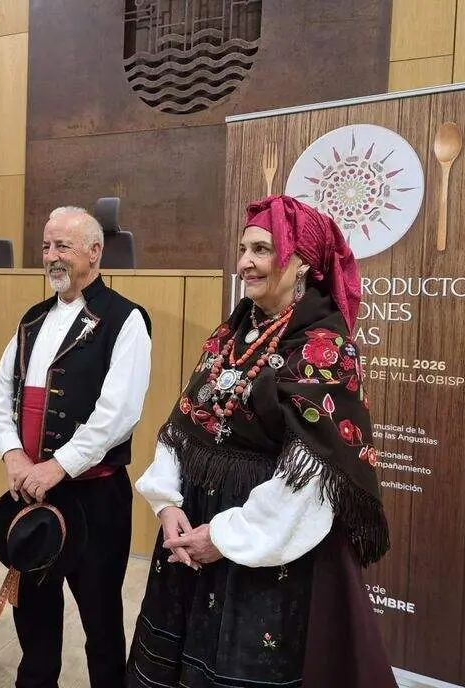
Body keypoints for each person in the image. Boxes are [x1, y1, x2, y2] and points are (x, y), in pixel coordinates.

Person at [125, 195, 394, 688]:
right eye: (243, 247)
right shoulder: (234, 332)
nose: (245, 262)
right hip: (194, 534)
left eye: (263, 250)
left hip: (263, 553)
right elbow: (183, 423)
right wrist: (167, 505)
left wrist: (225, 538)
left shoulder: (325, 350)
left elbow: (310, 479)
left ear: (303, 263)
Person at [0, 206, 152, 688]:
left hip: (96, 499)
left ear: (95, 252)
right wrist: (12, 454)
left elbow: (117, 415)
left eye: (63, 246)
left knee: (100, 618)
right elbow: (0, 394)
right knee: (33, 616)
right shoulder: (33, 318)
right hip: (32, 492)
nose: (51, 256)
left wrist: (58, 467)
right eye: (45, 246)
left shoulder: (126, 319)